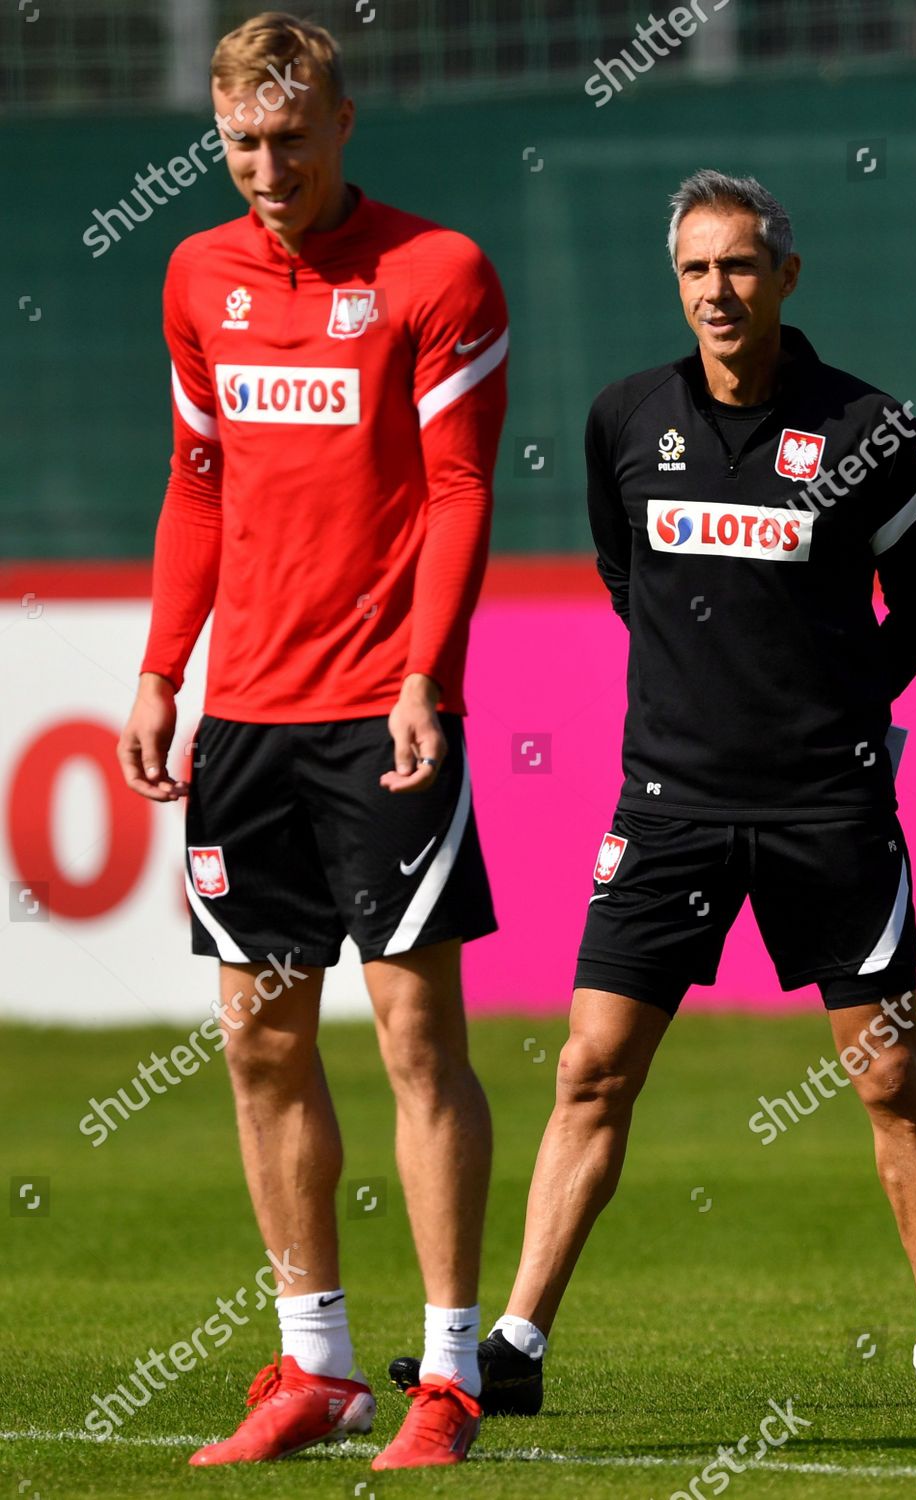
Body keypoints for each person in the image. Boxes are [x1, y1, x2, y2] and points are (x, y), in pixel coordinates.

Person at [390, 168, 916, 1418]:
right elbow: (625, 577)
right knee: (589, 1070)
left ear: (784, 274)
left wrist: (840, 708)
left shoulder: (870, 432)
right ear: (675, 286)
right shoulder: (623, 419)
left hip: (828, 808)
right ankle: (514, 1347)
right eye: (692, 271)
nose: (714, 292)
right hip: (664, 805)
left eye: (735, 265)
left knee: (884, 1076)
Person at [116, 12, 507, 1471]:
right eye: (240, 143)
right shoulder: (196, 275)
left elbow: (463, 492)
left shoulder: (438, 272)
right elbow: (196, 486)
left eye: (291, 136)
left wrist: (427, 673)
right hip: (246, 727)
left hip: (383, 722)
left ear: (347, 122)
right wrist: (164, 671)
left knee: (418, 1038)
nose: (267, 167)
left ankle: (451, 1378)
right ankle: (314, 1367)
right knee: (260, 1041)